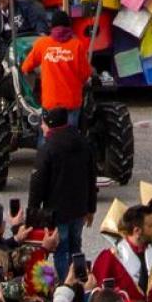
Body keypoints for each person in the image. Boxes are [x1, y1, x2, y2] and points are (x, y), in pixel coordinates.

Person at [29, 107, 96, 289]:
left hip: (58, 212)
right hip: (79, 208)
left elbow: (37, 183)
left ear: (49, 124)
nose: (41, 127)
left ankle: (66, 285)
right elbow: (91, 176)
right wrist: (91, 207)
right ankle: (80, 281)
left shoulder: (48, 148)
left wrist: (32, 213)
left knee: (60, 249)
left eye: (42, 123)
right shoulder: (83, 142)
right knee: (76, 247)